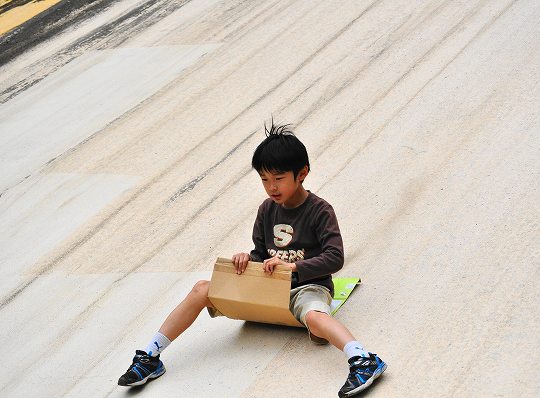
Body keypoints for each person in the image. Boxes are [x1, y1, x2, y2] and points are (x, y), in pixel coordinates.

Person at [117, 123, 387, 397]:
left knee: (316, 319)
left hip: (306, 288)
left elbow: (335, 257)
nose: (271, 187)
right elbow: (261, 253)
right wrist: (247, 259)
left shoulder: (319, 210)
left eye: (279, 178)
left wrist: (294, 267)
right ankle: (150, 356)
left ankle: (363, 360)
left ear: (302, 173)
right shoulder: (267, 210)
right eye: (264, 179)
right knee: (201, 288)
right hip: (266, 288)